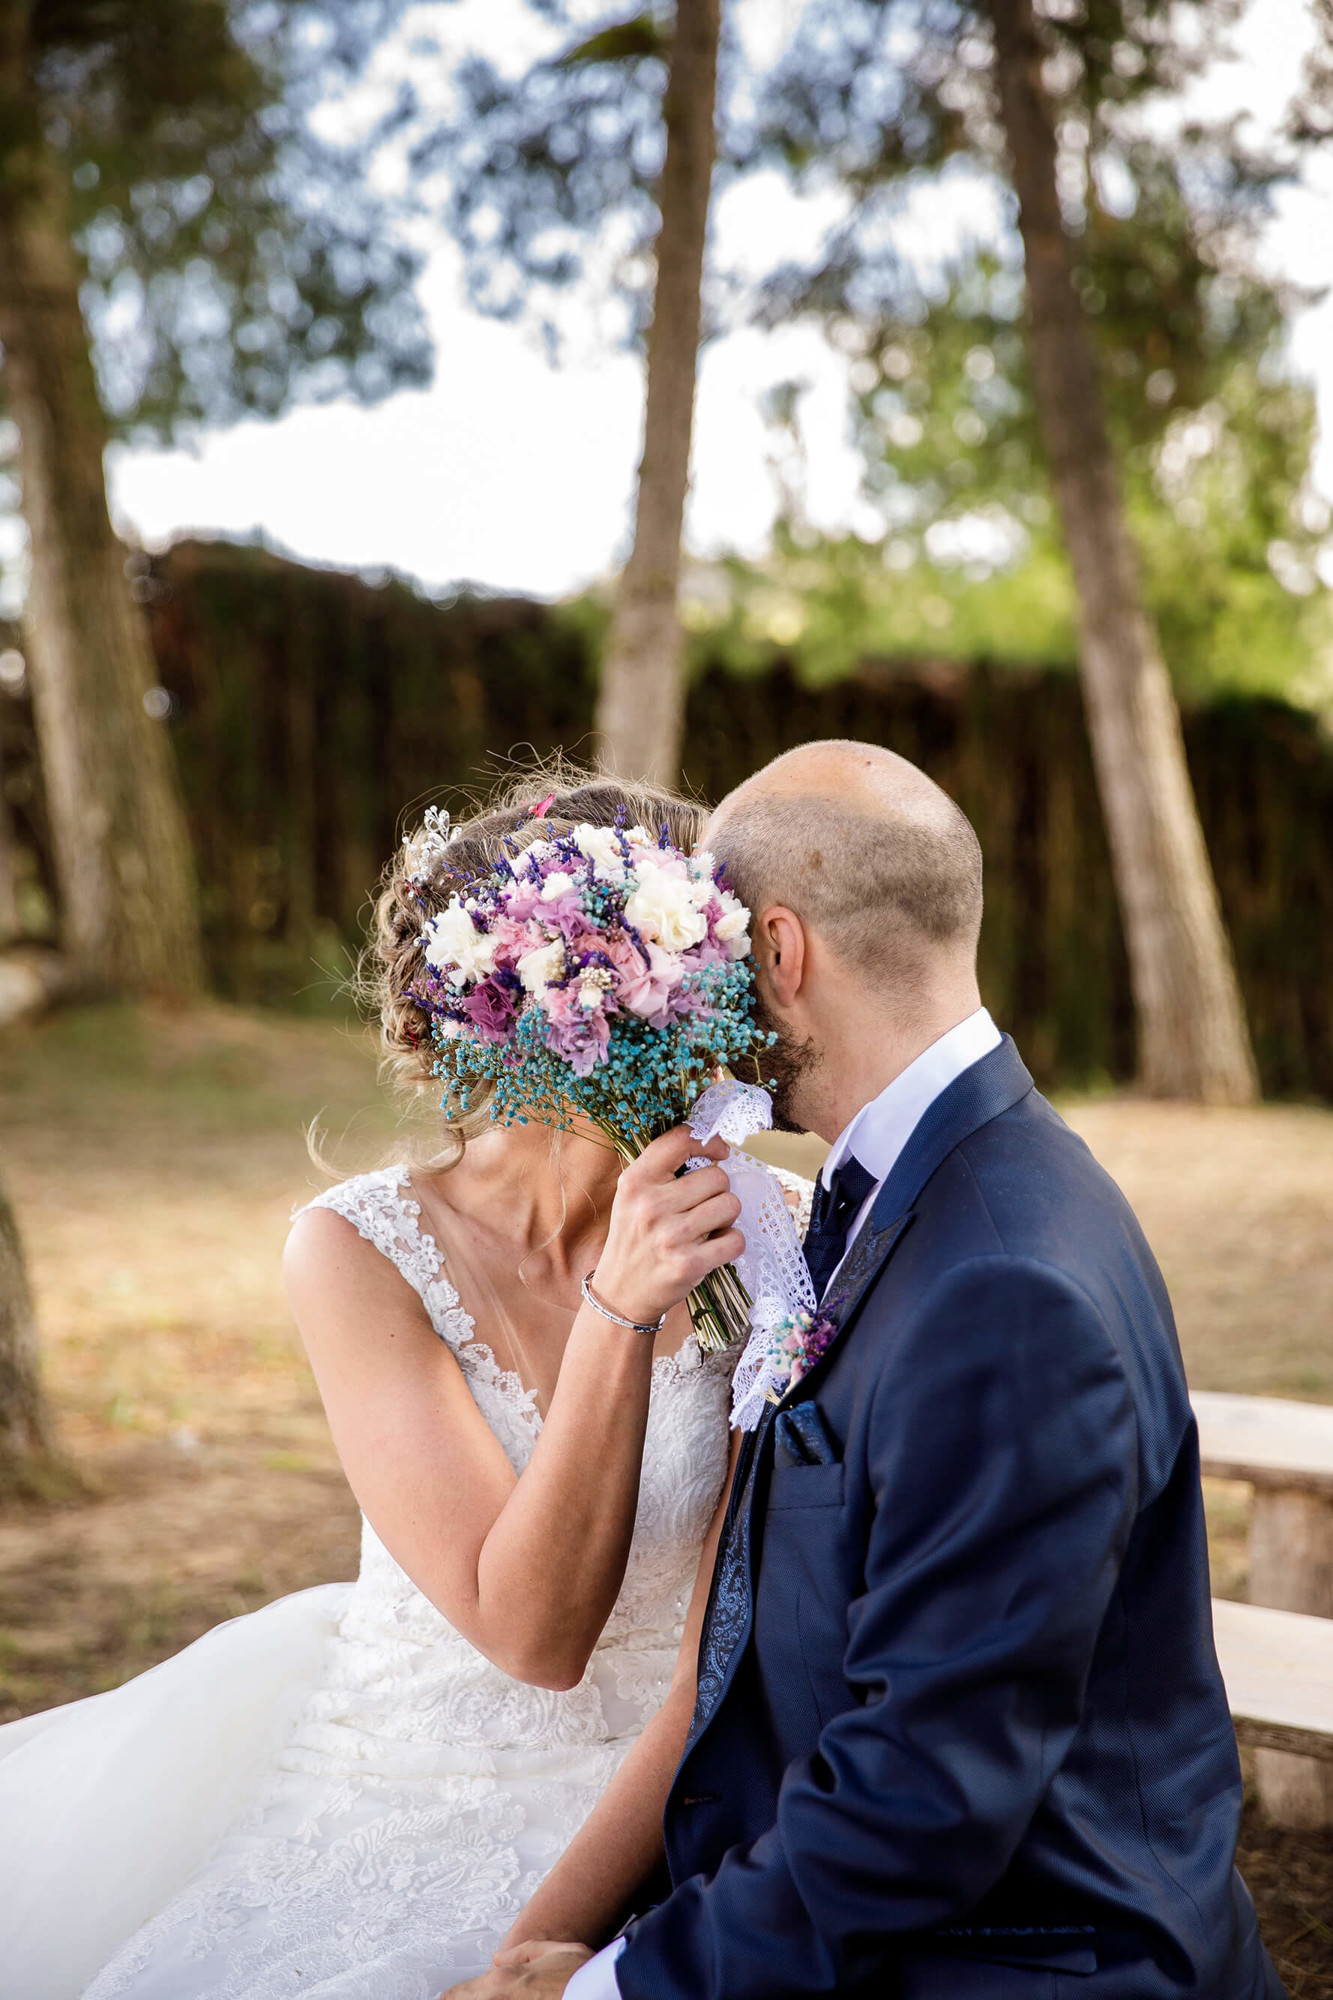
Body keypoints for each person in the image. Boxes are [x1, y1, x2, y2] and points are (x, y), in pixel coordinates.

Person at [448, 739, 1283, 2000]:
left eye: (721, 950)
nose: (702, 991)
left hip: (1022, 1961)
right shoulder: (909, 1182)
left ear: (780, 954)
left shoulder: (1002, 1285)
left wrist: (605, 1989)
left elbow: (927, 1792)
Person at [0, 773, 806, 2000]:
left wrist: (529, 1955)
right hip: (405, 1793)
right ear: (583, 997)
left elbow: (719, 1653)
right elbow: (531, 1632)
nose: (747, 1009)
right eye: (705, 967)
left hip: (672, 1798)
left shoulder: (763, 1235)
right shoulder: (357, 1250)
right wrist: (620, 1306)